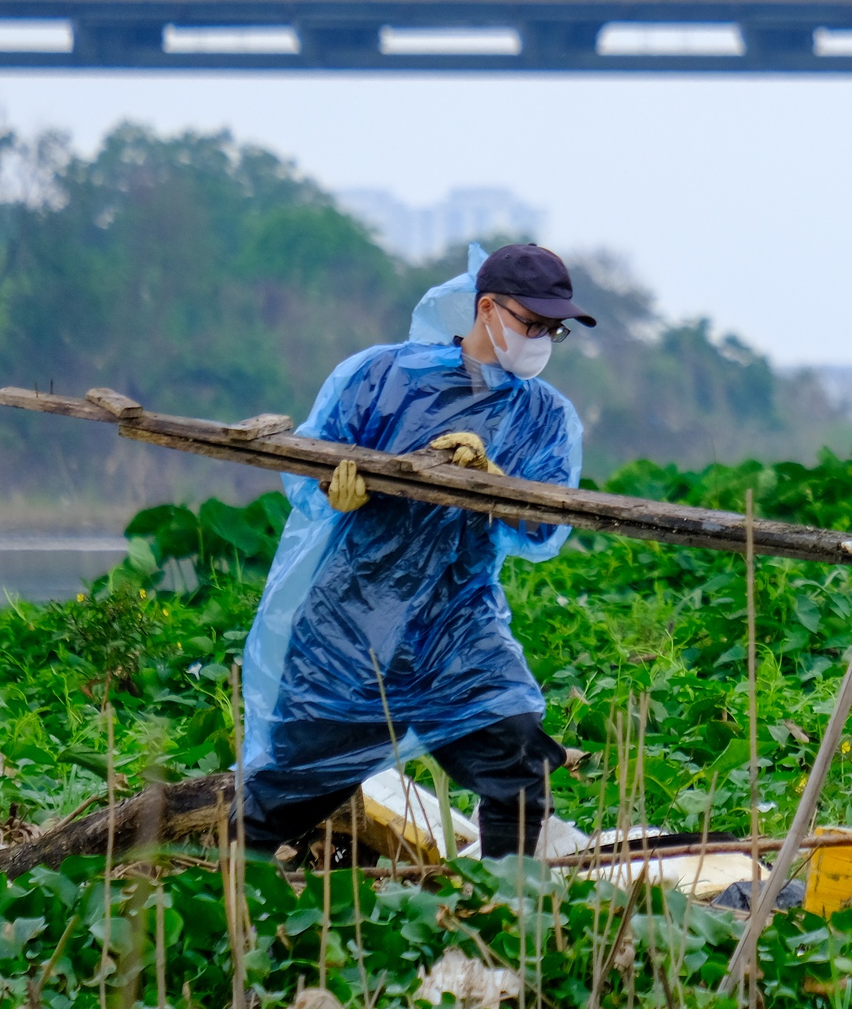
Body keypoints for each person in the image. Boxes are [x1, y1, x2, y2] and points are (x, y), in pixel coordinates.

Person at [239, 242, 595, 860]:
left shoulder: (545, 418)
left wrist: (496, 481)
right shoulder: (379, 376)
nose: (540, 338)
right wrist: (337, 491)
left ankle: (502, 920)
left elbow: (542, 532)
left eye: (552, 330)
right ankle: (222, 907)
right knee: (284, 799)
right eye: (531, 323)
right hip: (351, 627)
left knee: (517, 766)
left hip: (458, 629)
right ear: (487, 308)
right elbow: (306, 471)